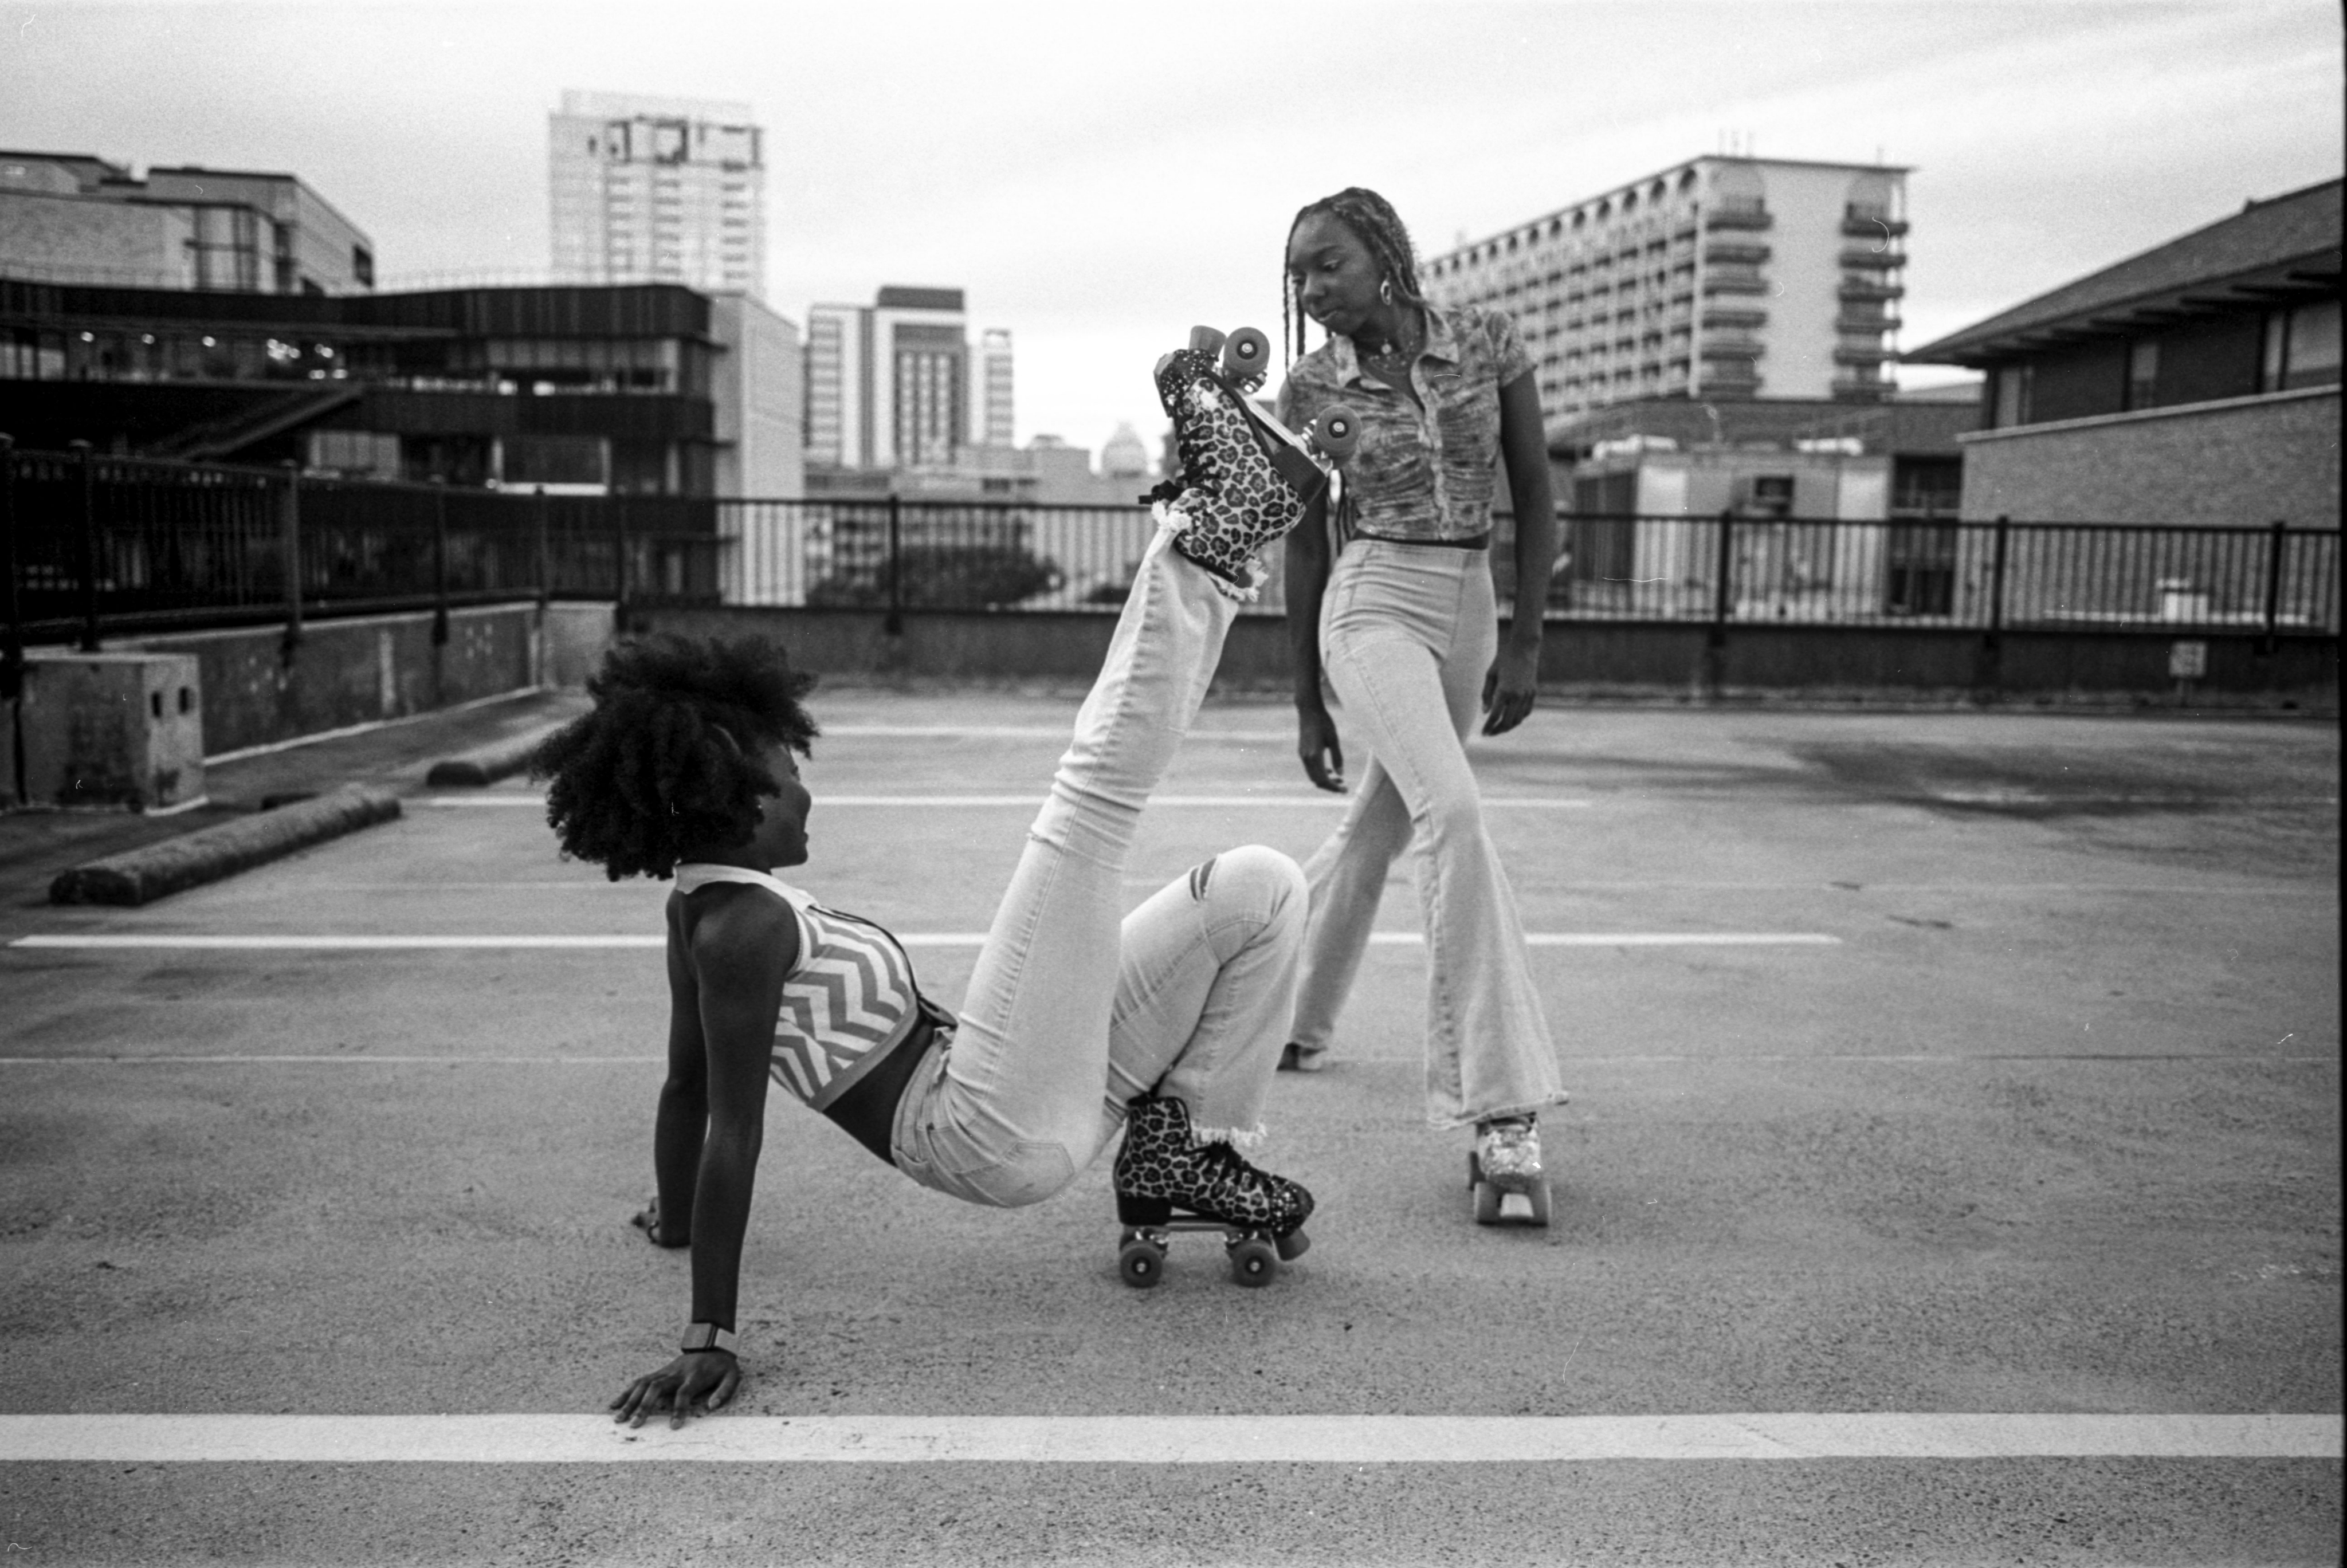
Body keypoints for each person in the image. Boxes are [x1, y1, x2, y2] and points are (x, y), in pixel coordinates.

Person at [535, 367, 1320, 1428]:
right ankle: (1215, 541)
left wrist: (672, 1217)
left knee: (1258, 890)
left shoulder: (706, 911)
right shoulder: (742, 929)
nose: (807, 788)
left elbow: (681, 1091)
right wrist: (706, 1332)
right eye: (783, 772)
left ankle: (1182, 1144)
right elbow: (729, 1125)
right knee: (1089, 803)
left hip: (1032, 1086)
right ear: (727, 799)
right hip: (984, 1128)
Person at [1271, 186, 1569, 1204]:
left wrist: (1526, 637)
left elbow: (1533, 488)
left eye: (1329, 265)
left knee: (1381, 824)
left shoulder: (1485, 339)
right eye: (1299, 272)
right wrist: (1306, 696)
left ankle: (1283, 1009)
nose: (1311, 289)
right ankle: (1500, 1110)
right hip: (1373, 600)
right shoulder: (1310, 389)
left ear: (1385, 254)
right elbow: (1305, 545)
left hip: (1471, 599)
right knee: (1456, 813)